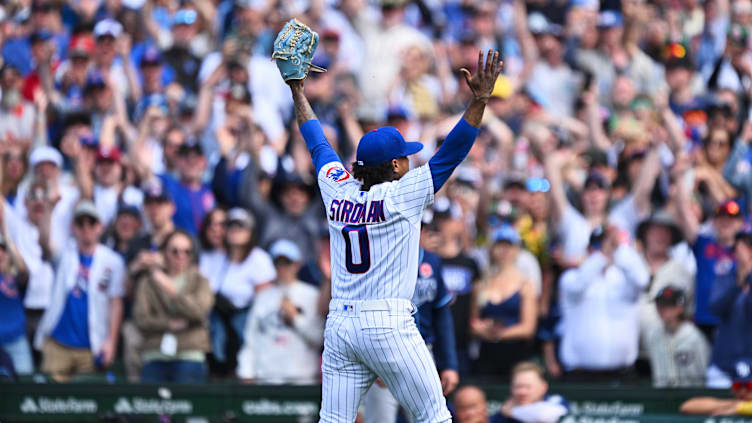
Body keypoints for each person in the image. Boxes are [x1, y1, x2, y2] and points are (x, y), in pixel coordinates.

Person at [287, 47, 501, 422]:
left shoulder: (338, 189)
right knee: (434, 417)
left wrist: (298, 93)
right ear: (397, 165)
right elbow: (453, 150)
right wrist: (479, 100)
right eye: (406, 156)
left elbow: (317, 144)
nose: (410, 160)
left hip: (340, 323)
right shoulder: (404, 193)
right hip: (387, 321)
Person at [361, 220, 460, 423]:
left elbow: (442, 314)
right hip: (384, 349)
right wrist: (372, 359)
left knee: (429, 417)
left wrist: (449, 364)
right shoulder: (374, 260)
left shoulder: (431, 262)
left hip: (422, 349)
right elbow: (363, 314)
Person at [34, 201, 125, 382]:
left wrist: (111, 342)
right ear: (73, 227)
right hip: (58, 343)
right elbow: (44, 242)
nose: (86, 228)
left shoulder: (113, 261)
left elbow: (116, 302)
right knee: (50, 403)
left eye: (91, 223)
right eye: (80, 223)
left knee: (88, 404)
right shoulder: (65, 255)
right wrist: (49, 209)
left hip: (92, 345)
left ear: (100, 227)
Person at [558, 225, 649, 382]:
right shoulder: (571, 278)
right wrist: (602, 256)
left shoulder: (623, 280)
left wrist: (621, 249)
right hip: (579, 375)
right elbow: (577, 286)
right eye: (597, 245)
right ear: (588, 249)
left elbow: (642, 280)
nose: (604, 250)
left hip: (621, 374)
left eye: (610, 246)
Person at [236, 239, 323, 384]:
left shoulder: (312, 295)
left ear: (297, 265)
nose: (282, 269)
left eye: (286, 263)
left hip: (302, 379)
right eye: (278, 263)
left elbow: (319, 339)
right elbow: (251, 338)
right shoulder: (262, 297)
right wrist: (246, 371)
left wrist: (296, 319)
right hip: (267, 378)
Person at [200, 207, 276, 374]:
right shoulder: (217, 256)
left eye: (241, 226)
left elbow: (265, 301)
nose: (235, 231)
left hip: (248, 318)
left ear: (250, 232)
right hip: (218, 317)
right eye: (231, 226)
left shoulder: (259, 258)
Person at [133, 229, 214, 383]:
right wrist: (169, 324)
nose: (181, 256)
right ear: (164, 253)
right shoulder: (148, 282)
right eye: (175, 251)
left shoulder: (200, 281)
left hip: (190, 352)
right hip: (155, 352)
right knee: (149, 404)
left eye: (186, 251)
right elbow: (141, 319)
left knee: (189, 402)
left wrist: (171, 289)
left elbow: (200, 312)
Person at [470, 224, 537, 377]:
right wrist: (480, 329)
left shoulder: (526, 285)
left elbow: (528, 328)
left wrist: (498, 334)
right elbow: (472, 322)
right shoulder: (482, 284)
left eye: (509, 246)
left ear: (517, 250)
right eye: (500, 245)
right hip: (486, 357)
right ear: (492, 249)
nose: (505, 251)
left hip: (516, 356)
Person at [706, 230, 752, 388]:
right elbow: (715, 308)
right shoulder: (726, 275)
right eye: (742, 247)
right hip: (723, 364)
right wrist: (739, 283)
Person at [645, 286, 710, 387]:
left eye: (667, 305)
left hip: (691, 395)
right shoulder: (654, 335)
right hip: (661, 397)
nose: (662, 309)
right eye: (659, 305)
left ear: (679, 308)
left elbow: (706, 372)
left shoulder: (694, 337)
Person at [0, 205, 32, 375]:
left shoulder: (14, 279)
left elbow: (24, 272)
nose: (0, 254)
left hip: (16, 341)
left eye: (2, 250)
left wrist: (7, 238)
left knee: (25, 389)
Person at [497, 362, 569, 423]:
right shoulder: (502, 415)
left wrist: (511, 412)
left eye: (528, 387)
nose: (522, 392)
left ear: (543, 387)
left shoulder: (555, 400)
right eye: (517, 386)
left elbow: (544, 415)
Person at [680, 358, 752, 416]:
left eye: (749, 385)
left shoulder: (739, 407)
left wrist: (741, 408)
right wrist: (735, 404)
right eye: (737, 386)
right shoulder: (732, 403)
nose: (743, 391)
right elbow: (686, 407)